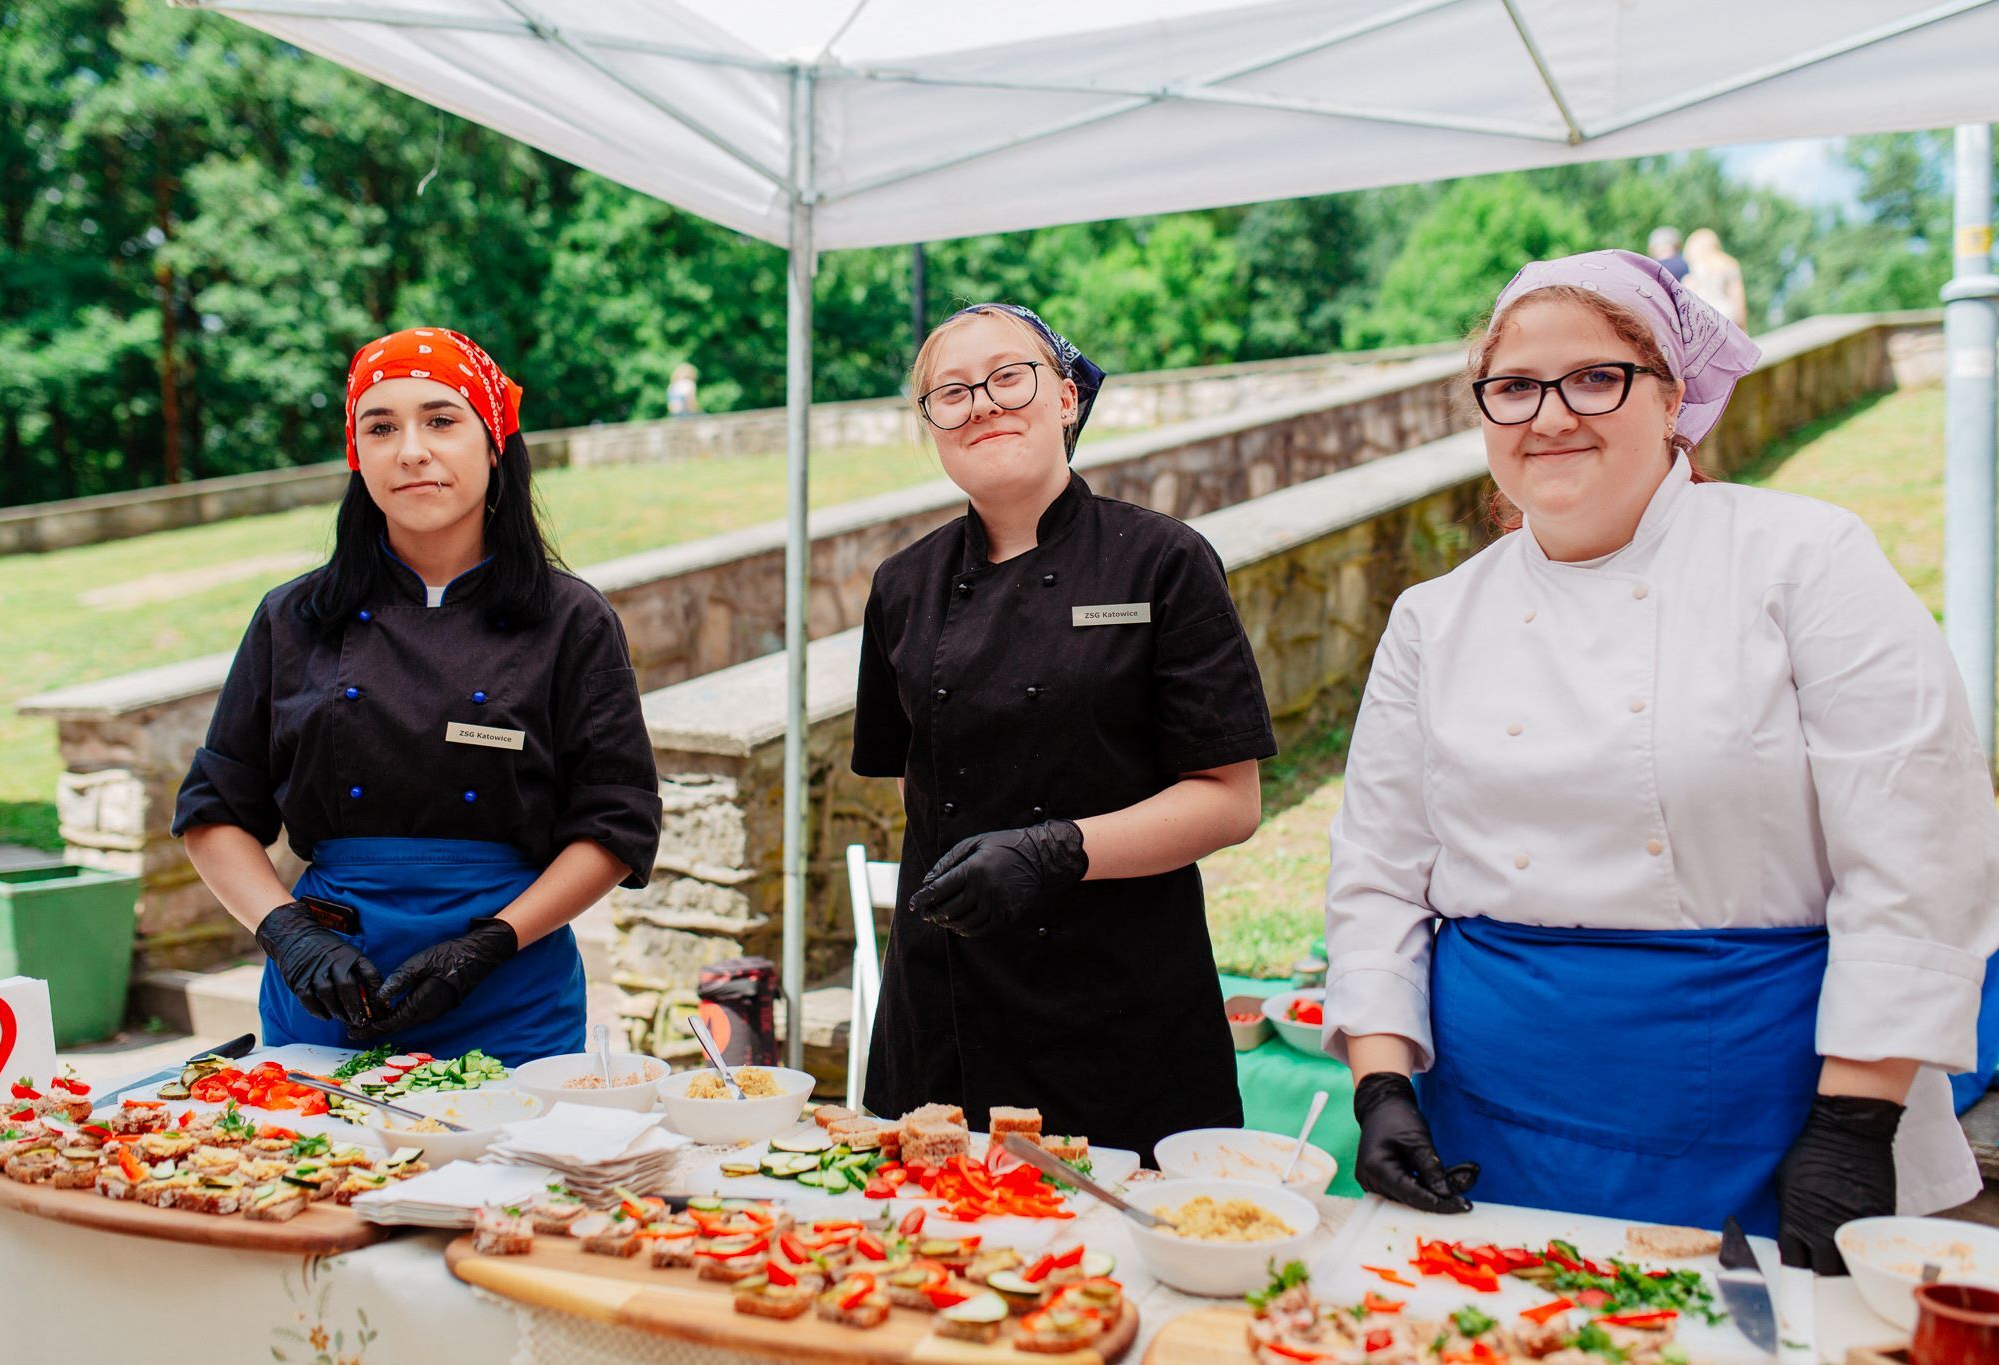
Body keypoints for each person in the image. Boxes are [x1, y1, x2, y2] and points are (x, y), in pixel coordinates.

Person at [1322, 251, 1999, 1274]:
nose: (1548, 415)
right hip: (1488, 1105)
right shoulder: (1432, 617)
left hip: (1766, 1094)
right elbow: (1375, 869)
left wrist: (1854, 1123)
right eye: (1512, 387)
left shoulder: (1801, 558)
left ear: (1672, 397)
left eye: (1595, 377)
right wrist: (1381, 1086)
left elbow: (1919, 844)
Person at [851, 303, 1277, 1160]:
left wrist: (1053, 851)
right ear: (931, 425)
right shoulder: (903, 585)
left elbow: (1230, 803)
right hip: (944, 1007)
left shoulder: (1163, 561)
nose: (983, 403)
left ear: (1067, 398)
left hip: (1119, 1001)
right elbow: (914, 780)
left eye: (1011, 376)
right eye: (951, 392)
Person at [174, 327, 663, 1064]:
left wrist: (491, 943)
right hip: (328, 995)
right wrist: (290, 936)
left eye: (440, 419)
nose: (411, 449)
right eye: (381, 426)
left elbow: (617, 824)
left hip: (512, 995)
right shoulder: (292, 617)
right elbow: (213, 812)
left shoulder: (571, 619)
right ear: (356, 455)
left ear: (494, 442)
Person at [1683, 227, 1747, 328]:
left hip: (1706, 323)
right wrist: (1743, 325)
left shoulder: (1690, 278)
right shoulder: (1728, 264)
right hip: (1728, 316)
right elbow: (1738, 297)